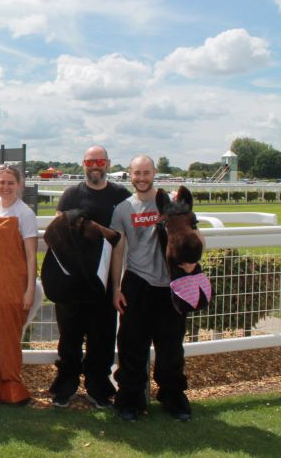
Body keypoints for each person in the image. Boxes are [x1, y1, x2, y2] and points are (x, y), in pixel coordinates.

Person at [110, 155, 204, 421]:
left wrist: (191, 263)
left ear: (154, 173)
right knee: (131, 346)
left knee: (171, 348)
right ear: (130, 175)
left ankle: (173, 396)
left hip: (171, 285)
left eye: (146, 172)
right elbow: (118, 251)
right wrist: (116, 288)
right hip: (137, 283)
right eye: (136, 173)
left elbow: (196, 237)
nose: (141, 178)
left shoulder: (174, 203)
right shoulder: (123, 209)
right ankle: (130, 399)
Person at [49, 146, 131, 408]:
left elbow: (132, 229)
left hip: (105, 280)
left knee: (102, 338)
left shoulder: (121, 195)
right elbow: (58, 230)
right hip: (74, 280)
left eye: (100, 161)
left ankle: (98, 388)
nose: (95, 165)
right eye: (90, 161)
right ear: (83, 164)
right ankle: (66, 384)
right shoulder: (72, 193)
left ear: (107, 163)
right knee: (69, 337)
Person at [0, 164, 37, 405]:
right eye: (2, 182)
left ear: (19, 185)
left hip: (13, 286)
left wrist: (30, 289)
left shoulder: (25, 214)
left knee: (10, 337)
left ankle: (12, 382)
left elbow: (32, 256)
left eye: (11, 182)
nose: (6, 187)